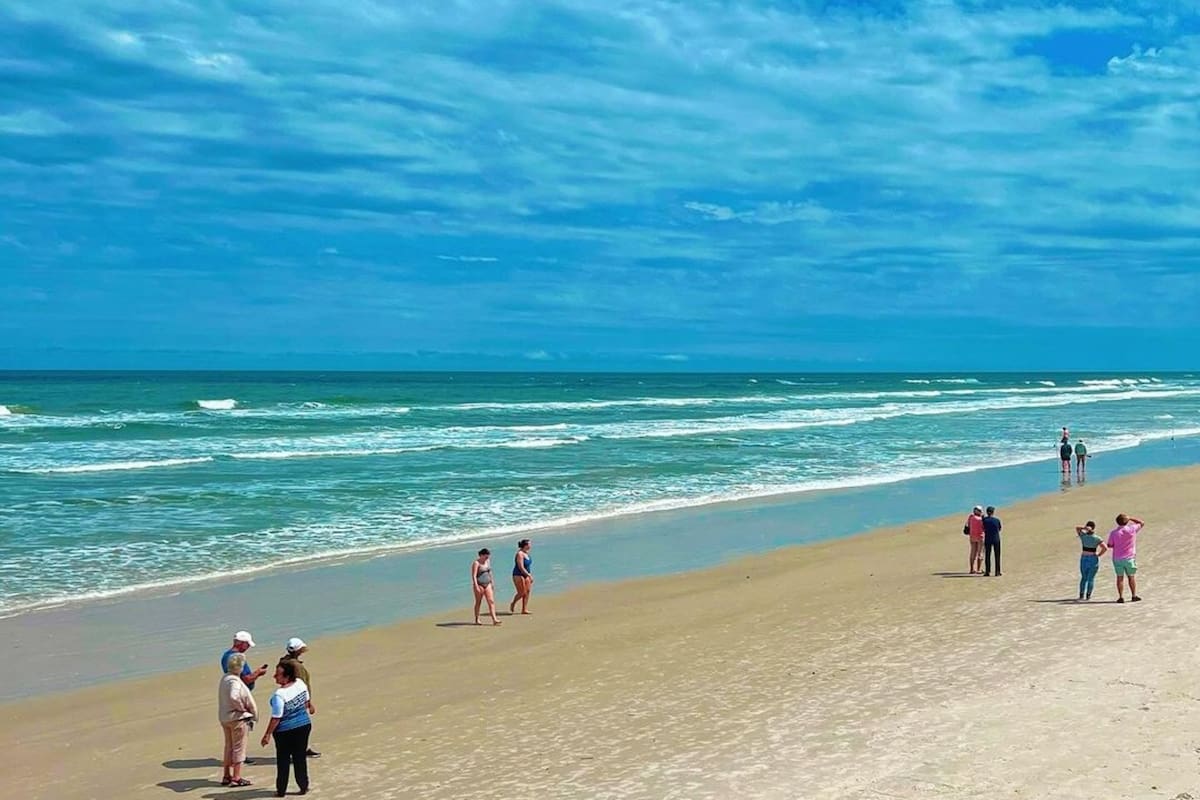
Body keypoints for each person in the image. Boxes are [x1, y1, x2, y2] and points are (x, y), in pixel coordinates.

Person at [261, 660, 314, 798]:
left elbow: (276, 718)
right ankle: (303, 786)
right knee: (299, 758)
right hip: (304, 725)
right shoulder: (301, 684)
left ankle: (281, 791)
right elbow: (306, 701)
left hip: (285, 731)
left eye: (278, 675)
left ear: (287, 677)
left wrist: (267, 734)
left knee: (283, 761)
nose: (274, 676)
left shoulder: (279, 695)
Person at [218, 651, 258, 787]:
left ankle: (226, 775)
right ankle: (236, 777)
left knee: (228, 746)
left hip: (225, 718)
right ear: (240, 667)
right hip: (236, 718)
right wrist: (242, 709)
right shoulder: (234, 681)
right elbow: (234, 696)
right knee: (239, 748)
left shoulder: (225, 678)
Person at [279, 638, 319, 758]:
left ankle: (302, 748)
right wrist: (308, 702)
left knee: (294, 725)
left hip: (288, 698)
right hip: (298, 700)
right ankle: (298, 751)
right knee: (300, 726)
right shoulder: (296, 666)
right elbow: (302, 685)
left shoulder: (284, 662)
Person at [1107, 513, 1145, 603]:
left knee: (1119, 577)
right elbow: (1142, 522)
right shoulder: (1132, 529)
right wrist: (1130, 518)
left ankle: (1121, 597)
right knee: (1131, 577)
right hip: (1129, 558)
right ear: (1127, 521)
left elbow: (1109, 545)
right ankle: (1133, 595)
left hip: (1117, 558)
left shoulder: (1113, 533)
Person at [1075, 521, 1108, 601]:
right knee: (1091, 578)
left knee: (1084, 578)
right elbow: (1105, 548)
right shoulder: (1097, 538)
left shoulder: (1083, 536)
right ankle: (1088, 596)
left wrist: (1084, 528)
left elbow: (1077, 528)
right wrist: (1099, 554)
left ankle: (1081, 596)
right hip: (1093, 558)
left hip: (1084, 558)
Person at [471, 548, 501, 626]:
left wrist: (492, 581)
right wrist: (476, 586)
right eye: (485, 556)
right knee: (478, 602)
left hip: (487, 583)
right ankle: (477, 619)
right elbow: (474, 576)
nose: (487, 558)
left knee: (491, 601)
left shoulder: (487, 562)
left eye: (488, 557)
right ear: (481, 555)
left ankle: (494, 619)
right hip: (479, 584)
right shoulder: (476, 563)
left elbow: (490, 571)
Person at [509, 538, 534, 614]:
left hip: (526, 574)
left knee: (527, 591)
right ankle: (513, 603)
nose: (530, 545)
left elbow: (527, 566)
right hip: (518, 574)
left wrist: (528, 575)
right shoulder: (519, 554)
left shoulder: (527, 553)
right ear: (525, 545)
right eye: (529, 544)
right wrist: (529, 575)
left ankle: (524, 609)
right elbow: (521, 567)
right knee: (522, 592)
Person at [963, 506, 984, 575]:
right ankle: (978, 569)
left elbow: (968, 525)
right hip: (980, 537)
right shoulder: (980, 519)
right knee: (980, 553)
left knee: (973, 552)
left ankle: (972, 569)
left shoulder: (971, 517)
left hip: (972, 537)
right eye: (980, 511)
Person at [982, 505, 1002, 577]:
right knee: (997, 555)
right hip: (996, 539)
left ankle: (987, 571)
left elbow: (983, 527)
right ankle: (997, 571)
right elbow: (999, 528)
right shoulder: (997, 520)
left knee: (987, 555)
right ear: (993, 512)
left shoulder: (984, 520)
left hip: (988, 539)